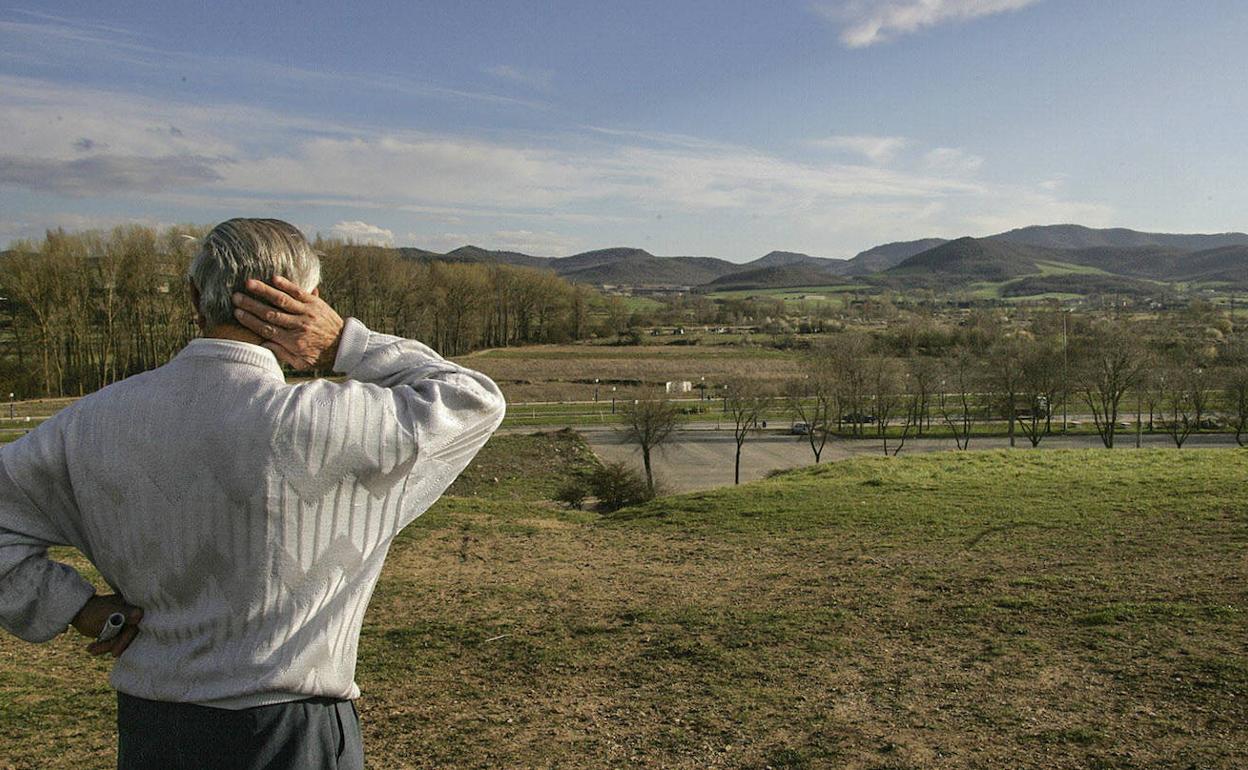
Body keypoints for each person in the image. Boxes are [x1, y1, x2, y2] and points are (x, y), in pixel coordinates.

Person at [0, 218, 506, 768]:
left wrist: (75, 608)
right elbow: (474, 400)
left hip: (152, 730)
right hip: (293, 731)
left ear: (195, 297)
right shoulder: (329, 423)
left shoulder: (91, 422)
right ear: (308, 304)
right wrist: (344, 342)